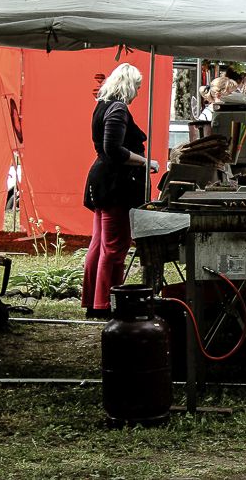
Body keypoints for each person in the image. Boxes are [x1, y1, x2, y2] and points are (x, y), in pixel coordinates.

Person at [82, 63, 159, 319]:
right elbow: (113, 150)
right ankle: (106, 304)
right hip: (116, 185)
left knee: (99, 244)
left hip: (103, 182)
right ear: (128, 86)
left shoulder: (102, 104)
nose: (138, 92)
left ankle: (94, 302)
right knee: (115, 247)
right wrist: (146, 162)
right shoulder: (118, 109)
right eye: (137, 87)